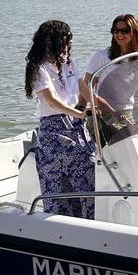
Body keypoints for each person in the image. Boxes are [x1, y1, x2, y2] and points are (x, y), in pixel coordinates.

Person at [24, 20, 95, 218]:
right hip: (54, 130)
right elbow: (52, 101)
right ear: (50, 41)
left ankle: (88, 221)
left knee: (87, 175)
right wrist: (79, 112)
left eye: (68, 41)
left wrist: (104, 108)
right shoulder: (39, 68)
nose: (67, 46)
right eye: (63, 41)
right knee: (55, 184)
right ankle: (56, 225)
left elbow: (84, 89)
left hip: (77, 126)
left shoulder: (69, 63)